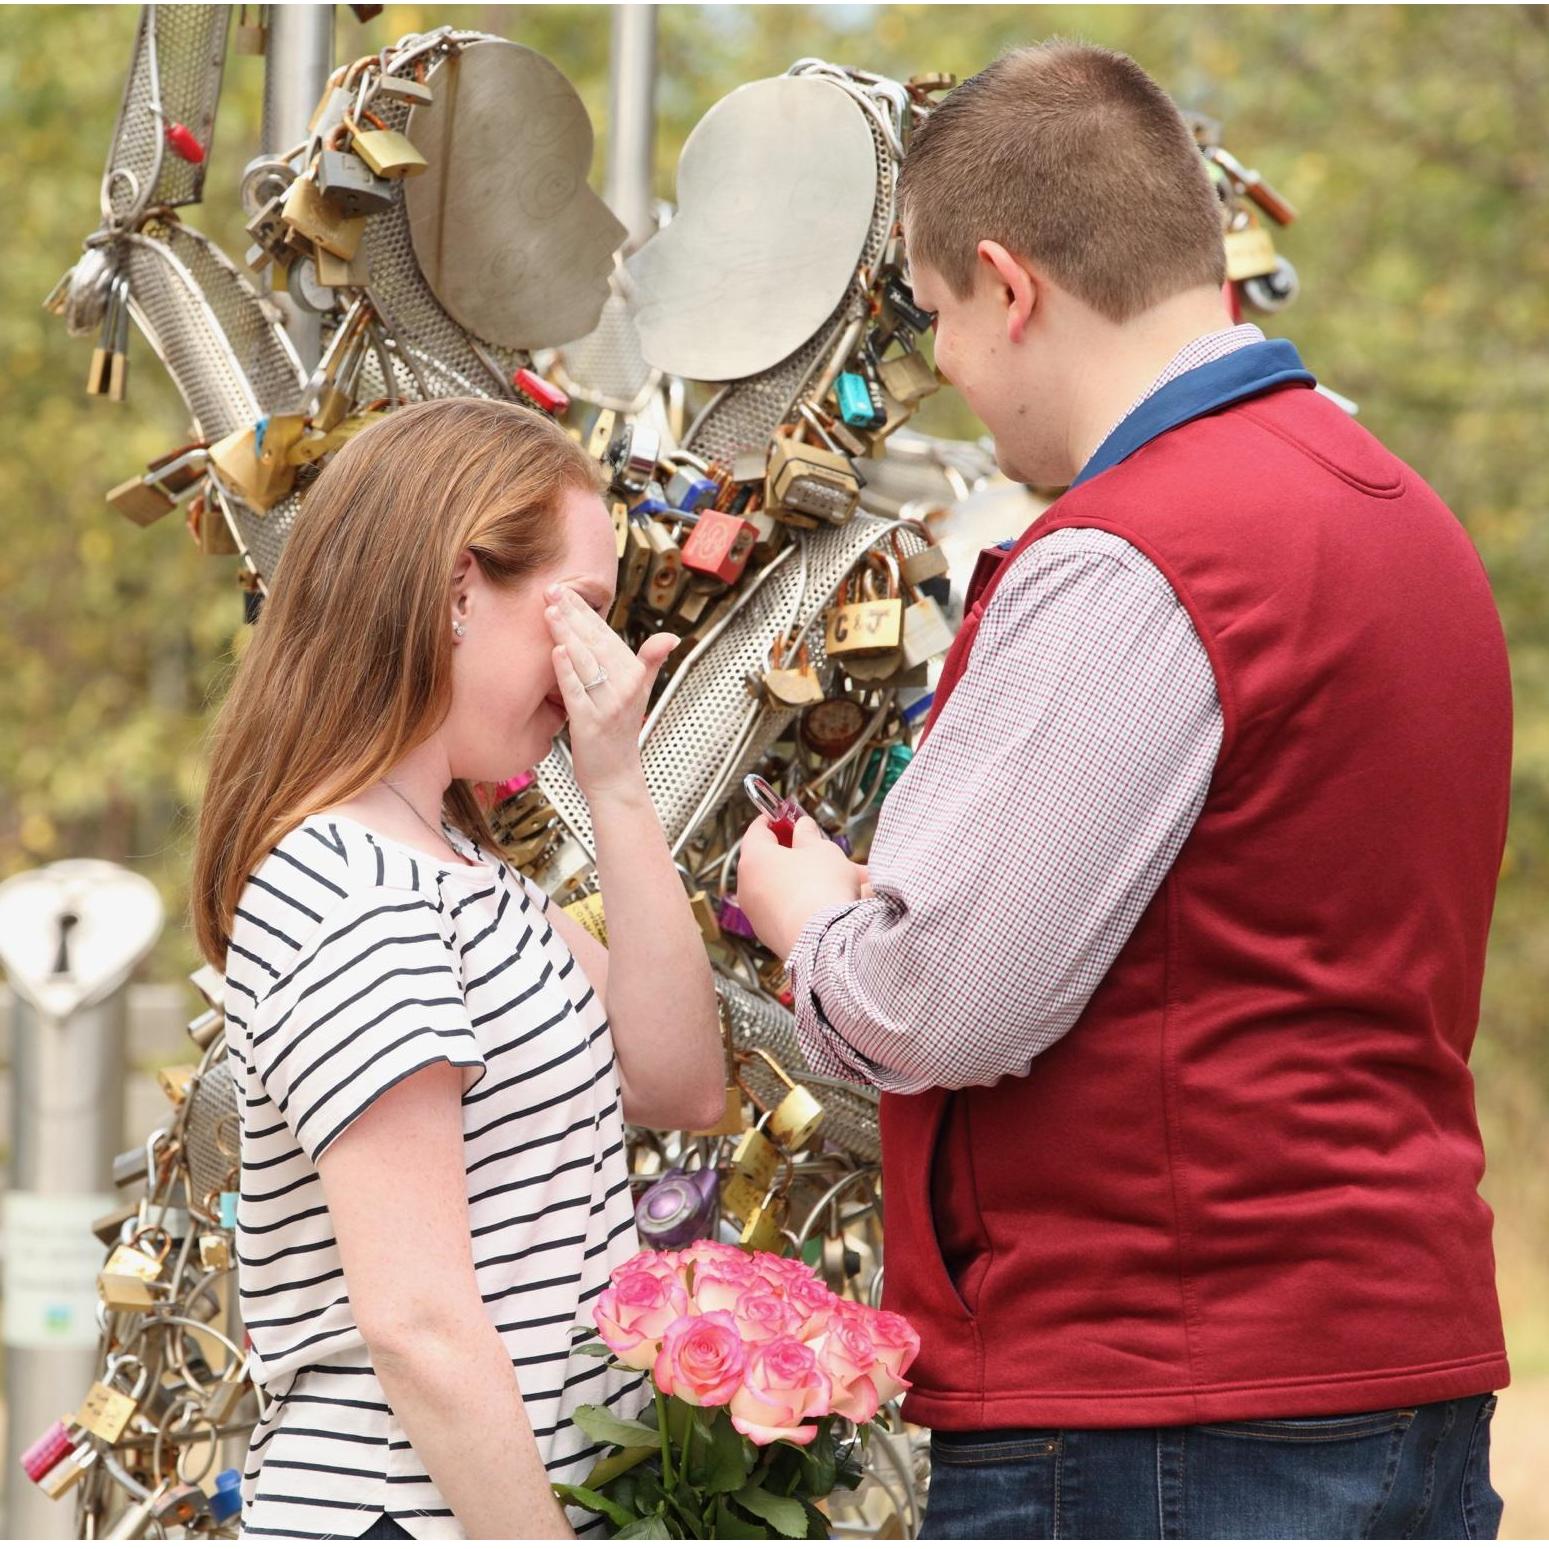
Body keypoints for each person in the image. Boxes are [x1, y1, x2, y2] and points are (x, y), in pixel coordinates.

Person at [735, 41, 1511, 1540]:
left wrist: (811, 916)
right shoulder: (1402, 518)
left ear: (1007, 286)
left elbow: (941, 1004)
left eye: (939, 315)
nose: (948, 366)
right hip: (1387, 1362)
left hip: (1161, 1407)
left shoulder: (1137, 553)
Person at [191, 398, 726, 1540]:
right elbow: (417, 1322)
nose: (595, 663)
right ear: (454, 592)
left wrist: (616, 782)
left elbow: (679, 1078)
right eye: (580, 614)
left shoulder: (455, 871)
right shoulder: (354, 887)